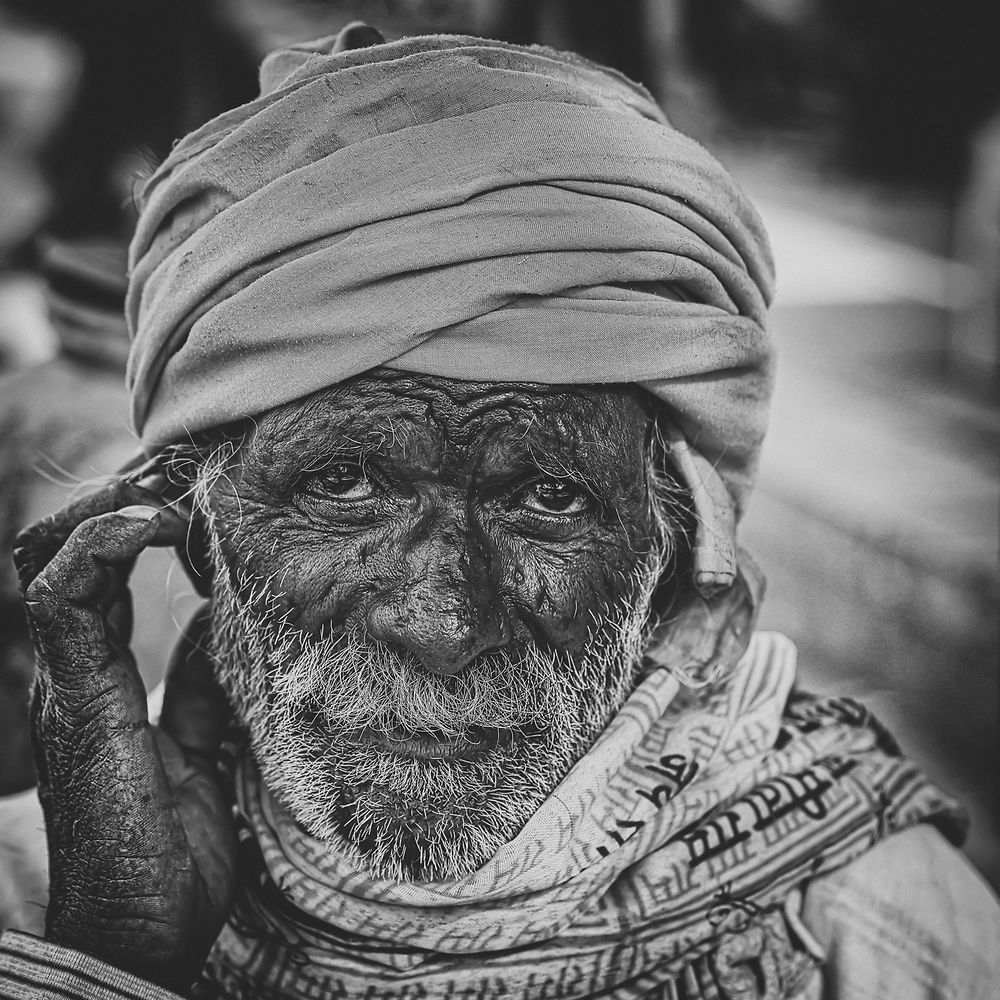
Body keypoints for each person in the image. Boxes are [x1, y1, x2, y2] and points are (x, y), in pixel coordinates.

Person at [1, 23, 998, 1000]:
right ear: (201, 533)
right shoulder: (42, 896)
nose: (441, 622)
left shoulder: (876, 928)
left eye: (548, 496)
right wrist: (111, 957)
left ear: (675, 550)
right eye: (343, 483)